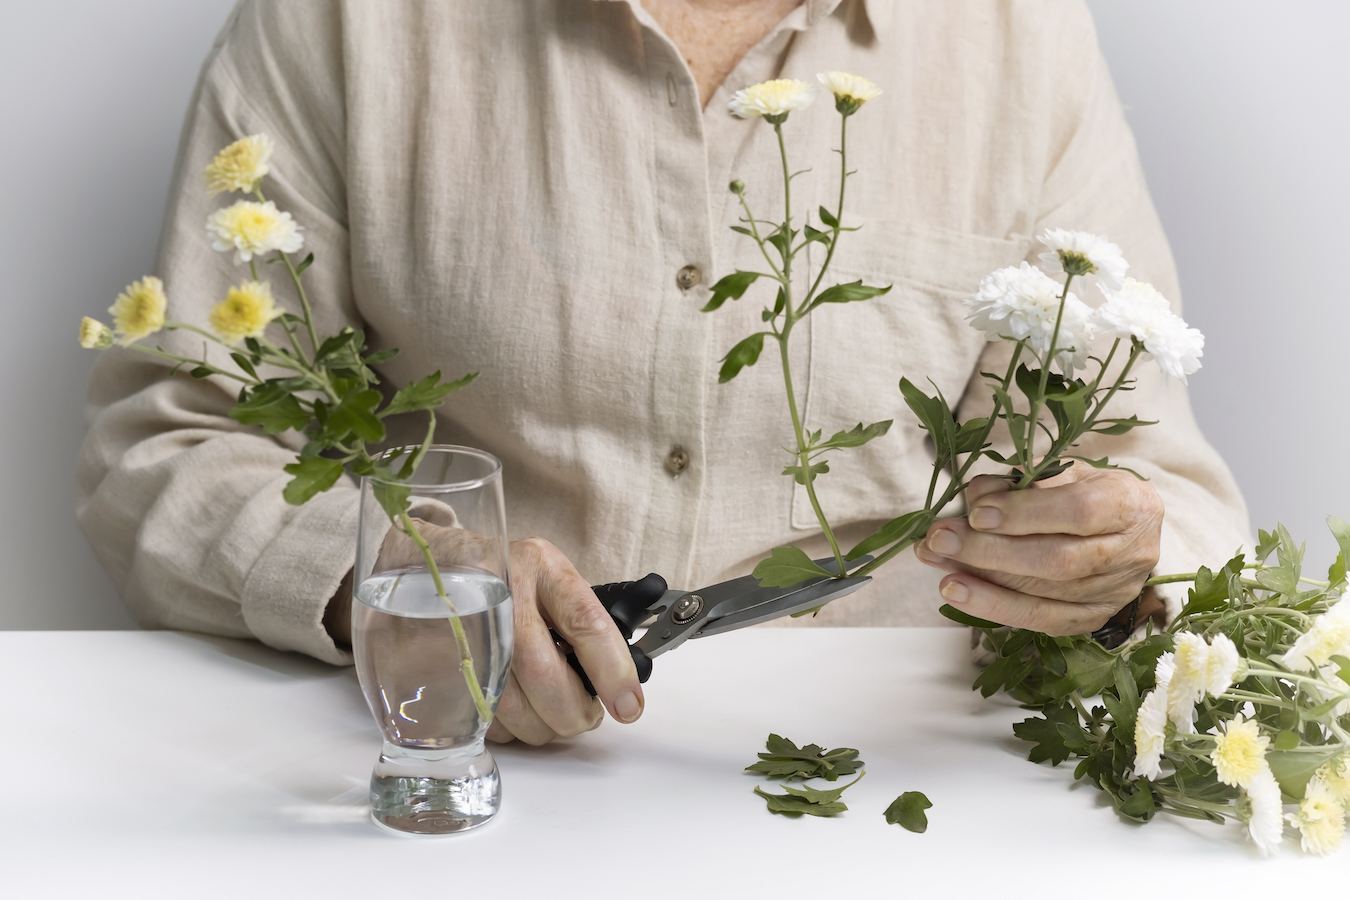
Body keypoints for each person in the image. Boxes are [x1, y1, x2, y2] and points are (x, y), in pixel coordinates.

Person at [76, 0, 1250, 746]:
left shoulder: (1023, 38)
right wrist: (389, 583)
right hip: (469, 778)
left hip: (910, 791)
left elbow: (1160, 484)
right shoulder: (339, 24)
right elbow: (168, 447)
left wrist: (1111, 558)